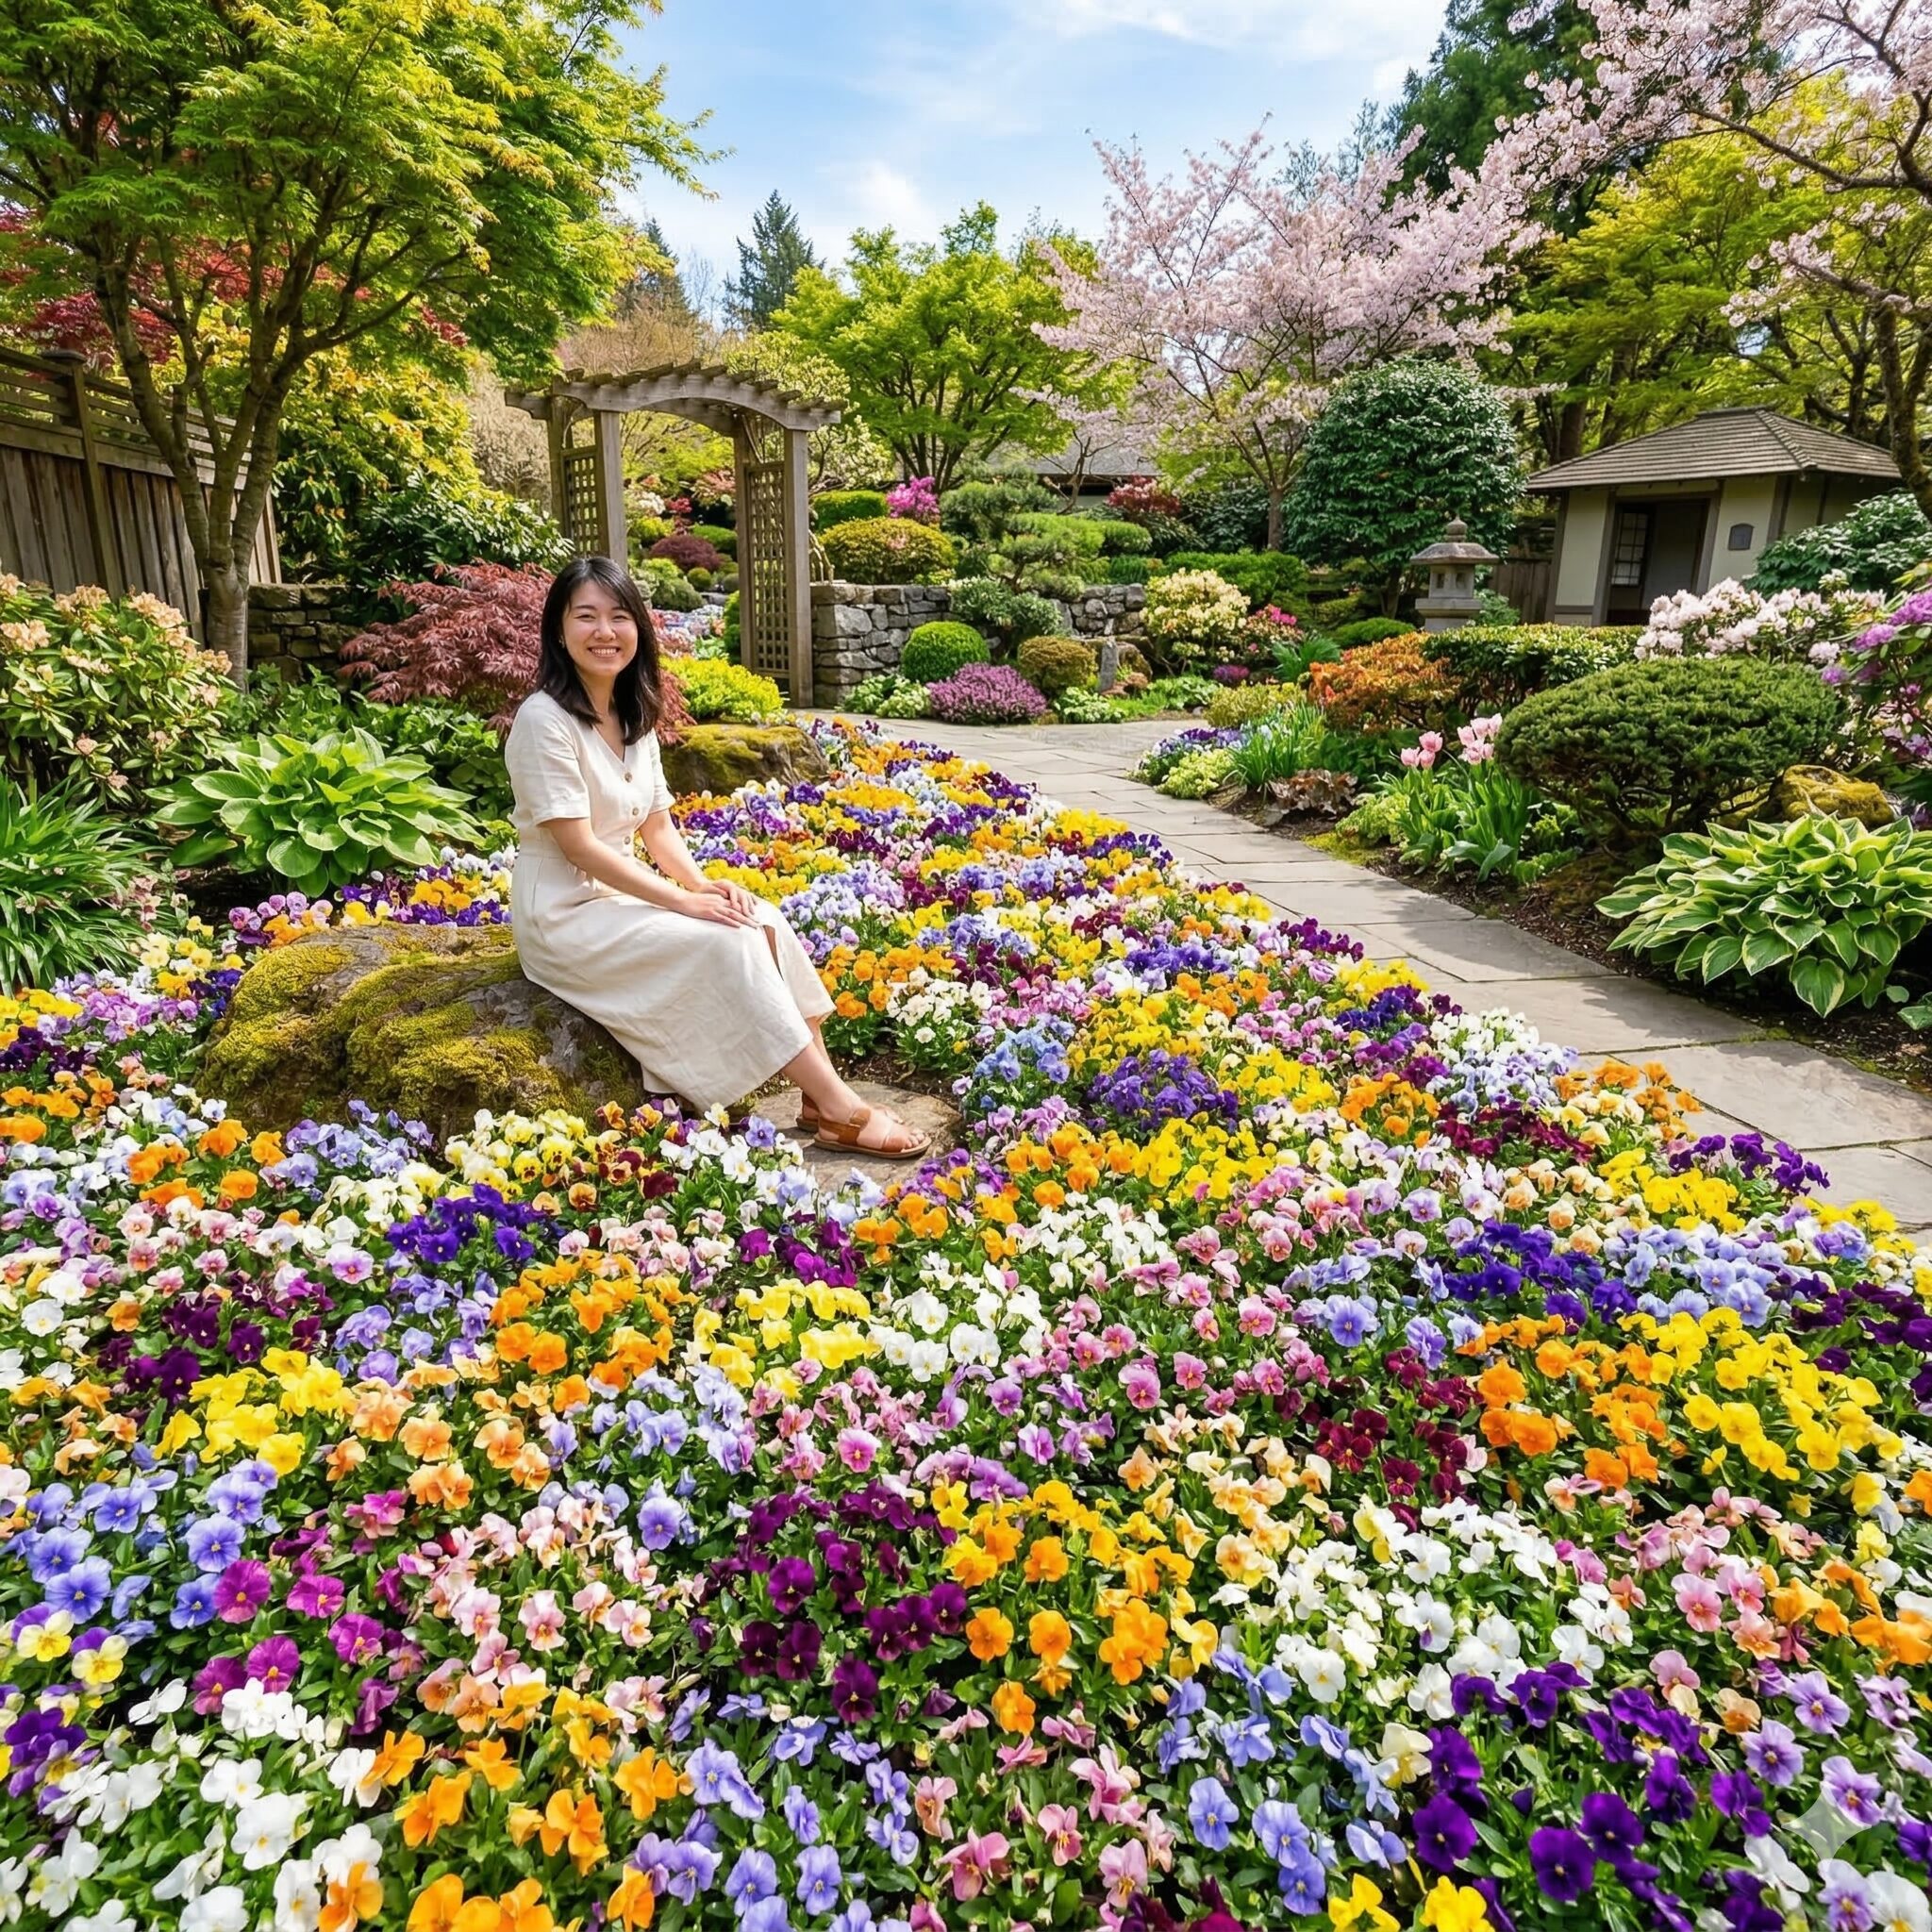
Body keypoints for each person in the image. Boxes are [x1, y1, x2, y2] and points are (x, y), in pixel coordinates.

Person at [504, 555, 930, 1158]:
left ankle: (818, 1099)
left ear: (638, 631)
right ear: (559, 629)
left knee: (757, 918)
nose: (605, 632)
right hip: (562, 914)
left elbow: (658, 829)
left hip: (616, 899)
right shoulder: (543, 720)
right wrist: (681, 902)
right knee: (725, 941)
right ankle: (842, 1109)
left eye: (619, 617)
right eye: (586, 617)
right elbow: (579, 845)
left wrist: (704, 888)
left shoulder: (633, 716)